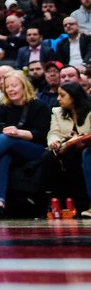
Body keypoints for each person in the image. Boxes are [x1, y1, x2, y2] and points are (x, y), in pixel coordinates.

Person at [0, 70, 52, 218]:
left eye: (14, 86)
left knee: (8, 138)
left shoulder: (39, 106)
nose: (10, 90)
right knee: (2, 155)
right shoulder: (3, 108)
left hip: (36, 149)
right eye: (7, 87)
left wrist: (18, 133)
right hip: (11, 149)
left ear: (24, 86)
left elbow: (41, 134)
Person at [48, 83, 91, 217]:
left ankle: (83, 203)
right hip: (67, 147)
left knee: (81, 156)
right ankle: (56, 204)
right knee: (48, 157)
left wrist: (79, 137)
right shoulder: (57, 112)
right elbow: (53, 132)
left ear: (74, 96)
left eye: (62, 95)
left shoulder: (89, 111)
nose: (58, 99)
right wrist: (54, 141)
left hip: (86, 146)